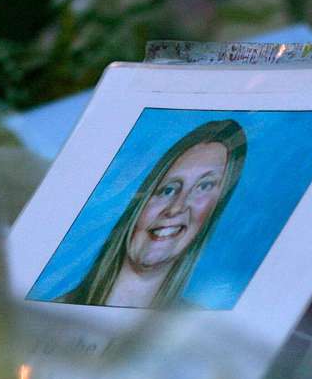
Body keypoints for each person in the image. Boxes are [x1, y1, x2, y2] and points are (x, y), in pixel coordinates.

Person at [58, 119, 247, 308]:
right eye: (168, 190)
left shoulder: (198, 328)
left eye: (203, 187)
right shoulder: (49, 313)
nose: (175, 208)